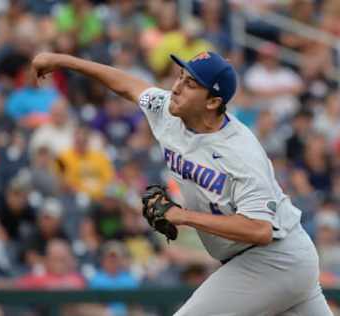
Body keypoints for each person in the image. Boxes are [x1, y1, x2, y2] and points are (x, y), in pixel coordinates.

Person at [32, 51, 332, 315]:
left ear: (214, 101)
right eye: (180, 76)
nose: (176, 88)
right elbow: (127, 84)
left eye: (190, 84)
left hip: (273, 257)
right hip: (282, 259)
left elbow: (260, 229)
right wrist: (63, 61)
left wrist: (183, 216)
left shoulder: (241, 153)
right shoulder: (169, 110)